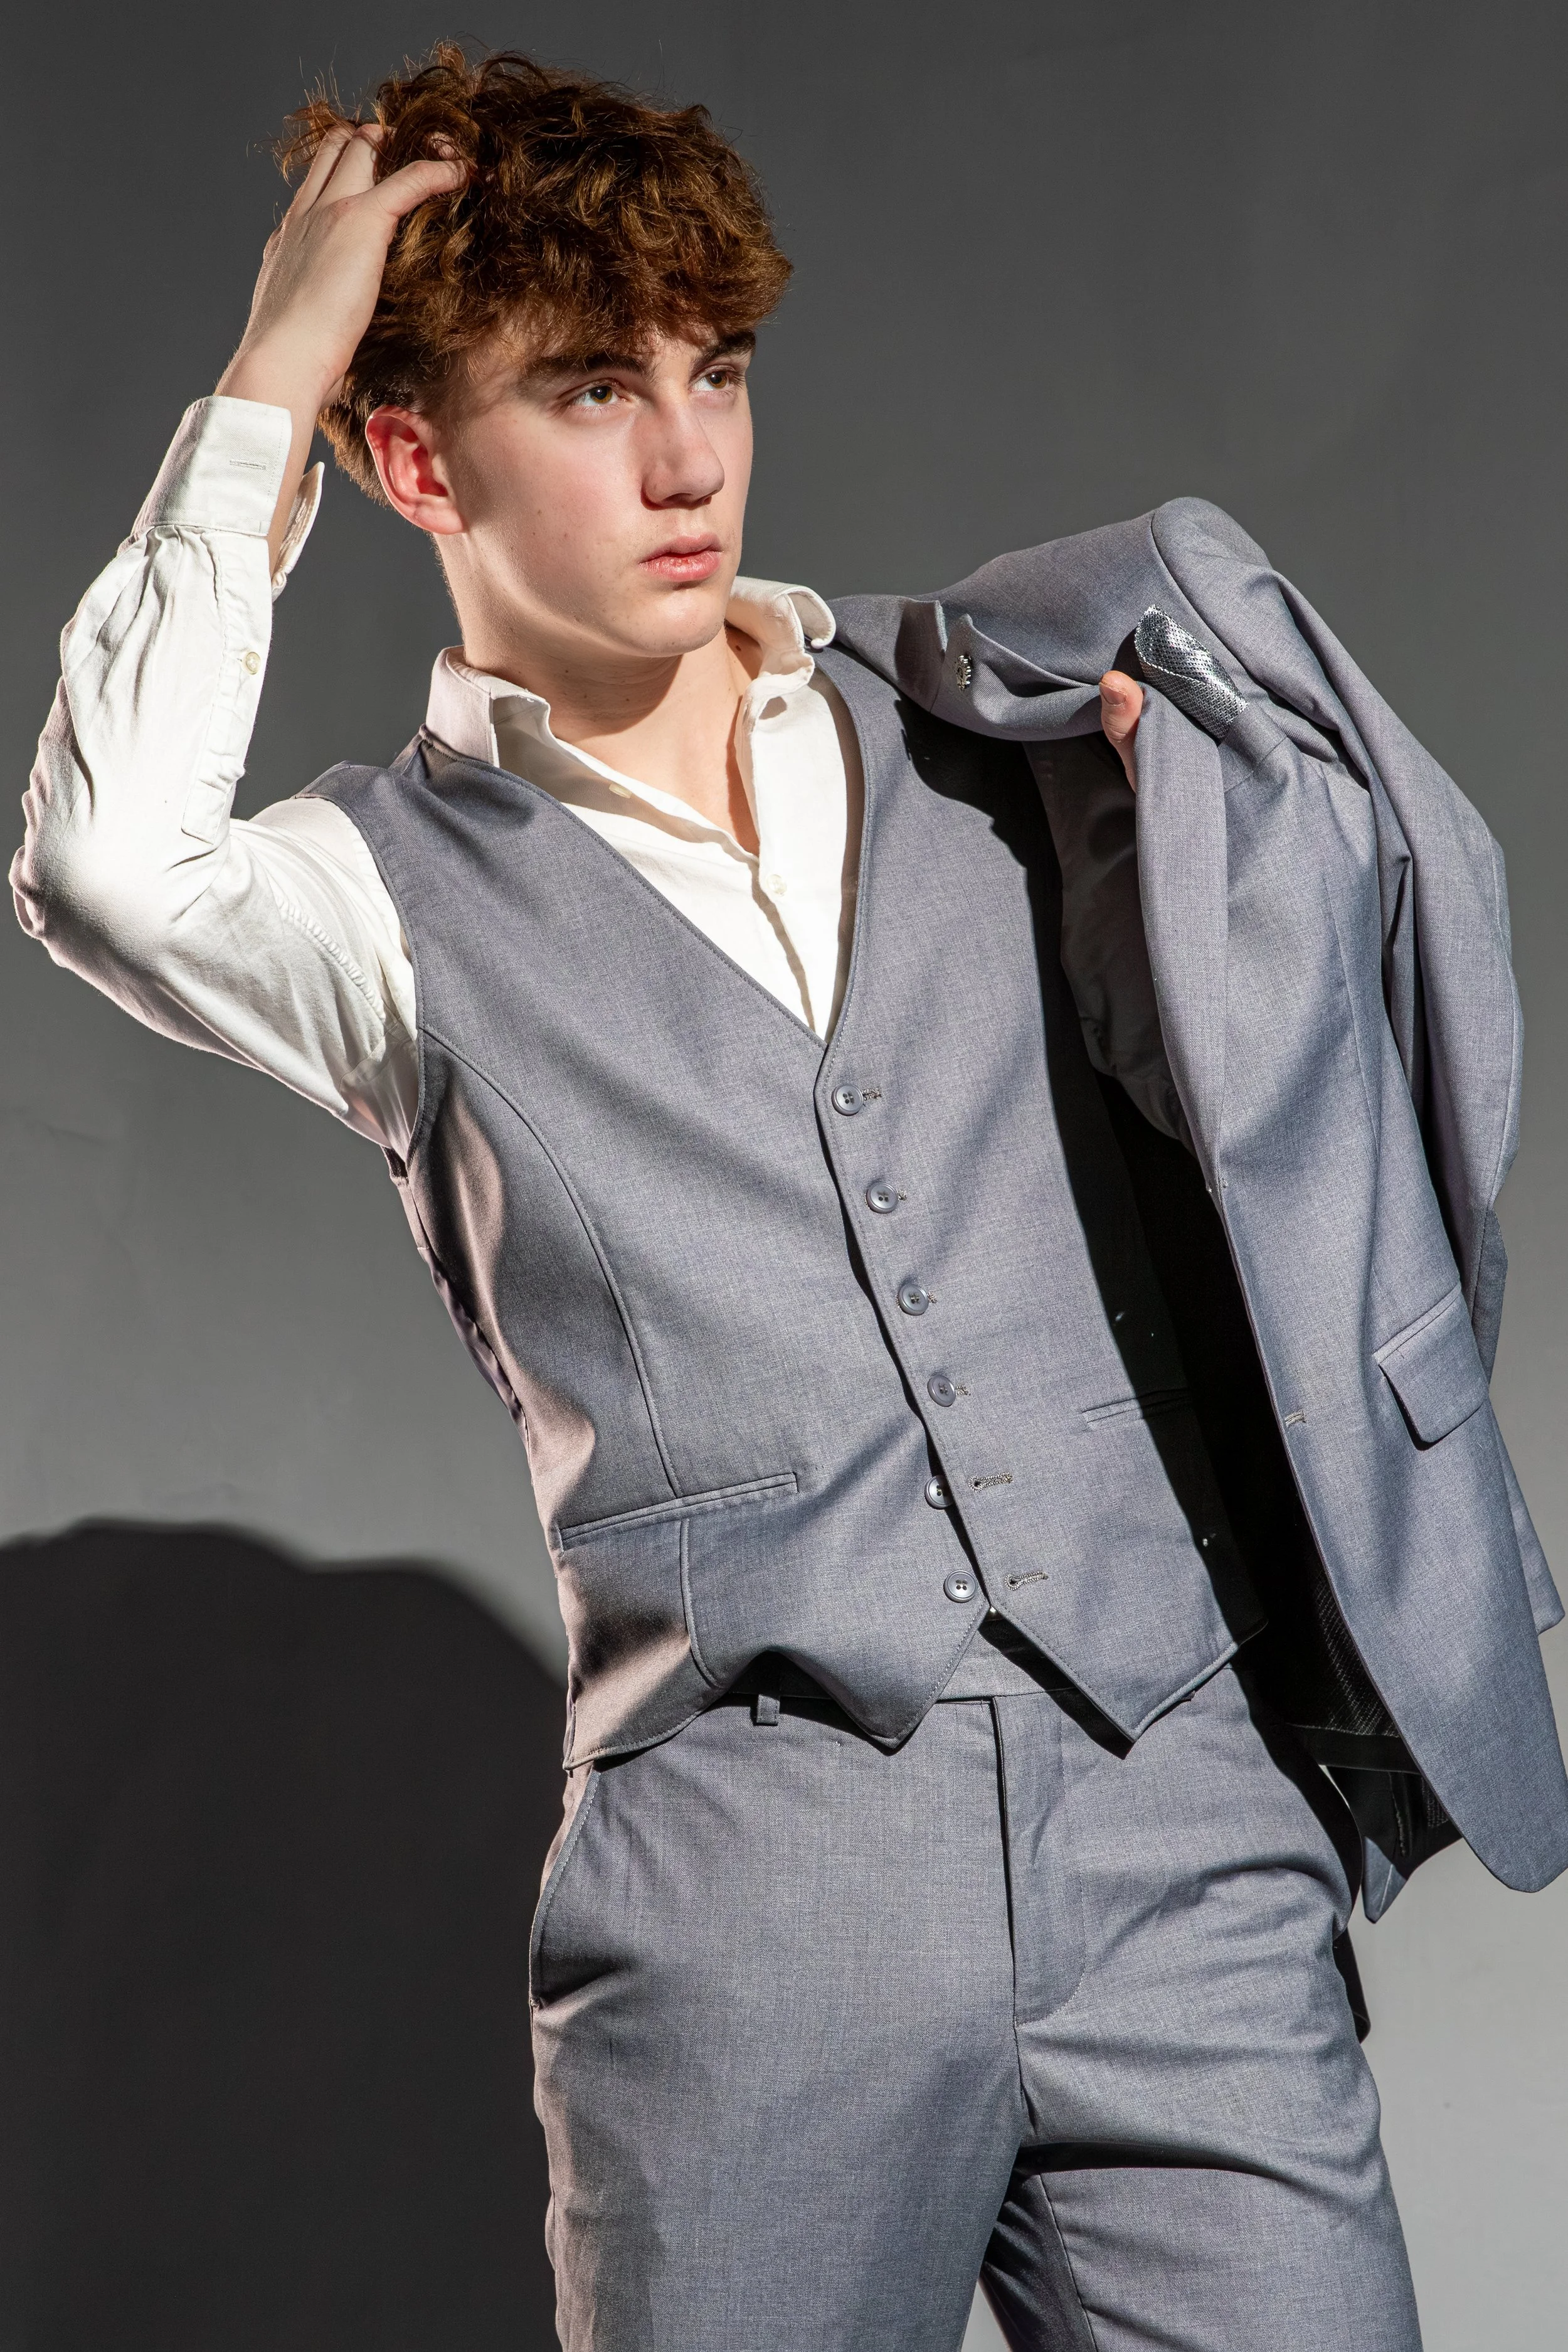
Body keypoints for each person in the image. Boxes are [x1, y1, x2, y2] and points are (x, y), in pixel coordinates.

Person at [14, 44, 1564, 2352]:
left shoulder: (1006, 725)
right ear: (414, 451)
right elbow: (103, 864)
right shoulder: (381, 902)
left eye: (714, 368)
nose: (689, 455)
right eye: (592, 388)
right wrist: (278, 354)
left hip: (1179, 1856)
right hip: (752, 1927)